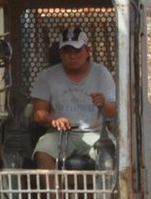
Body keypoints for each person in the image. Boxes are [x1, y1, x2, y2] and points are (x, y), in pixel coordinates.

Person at [31, 27, 117, 169]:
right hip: (60, 134)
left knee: (109, 154)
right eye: (67, 52)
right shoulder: (47, 76)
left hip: (94, 131)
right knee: (42, 152)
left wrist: (103, 104)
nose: (72, 56)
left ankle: (102, 191)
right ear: (60, 53)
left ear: (88, 52)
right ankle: (55, 192)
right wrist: (55, 120)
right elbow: (38, 114)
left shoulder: (101, 73)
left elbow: (114, 111)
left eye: (77, 51)